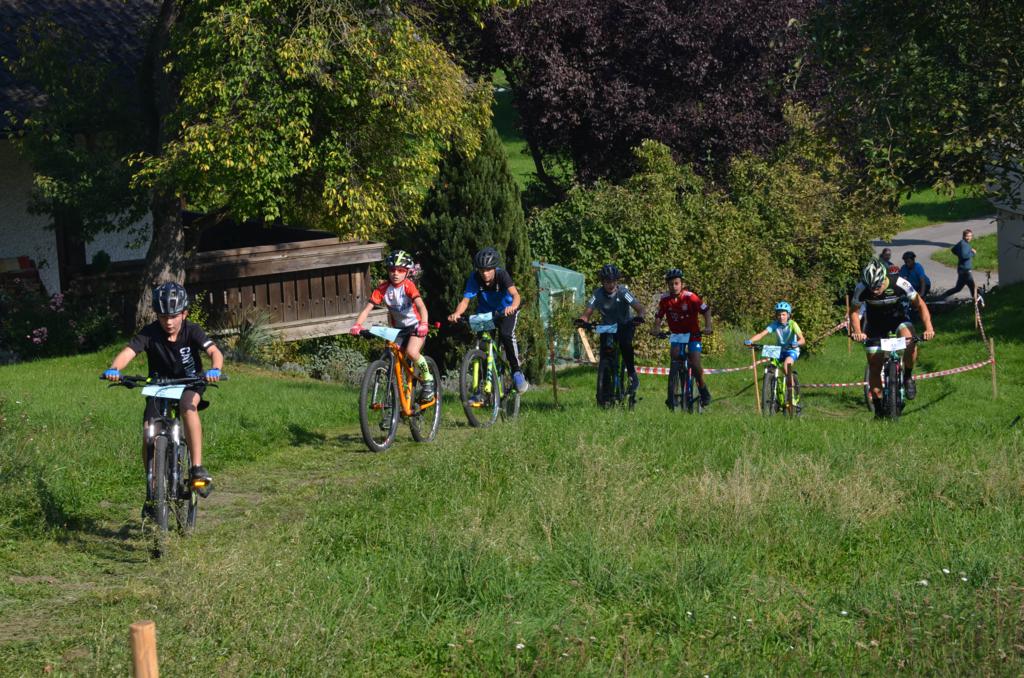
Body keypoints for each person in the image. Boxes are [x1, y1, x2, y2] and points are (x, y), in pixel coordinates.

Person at [103, 282, 224, 513]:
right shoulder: (149, 333)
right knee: (148, 430)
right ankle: (153, 488)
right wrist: (114, 369)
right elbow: (129, 351)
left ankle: (197, 467)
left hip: (190, 382)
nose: (168, 322)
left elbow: (213, 351)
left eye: (173, 316)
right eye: (162, 317)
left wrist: (215, 369)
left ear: (184, 313)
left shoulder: (192, 330)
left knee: (188, 406)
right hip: (159, 385)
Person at [850, 258, 936, 414]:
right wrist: (857, 331)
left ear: (884, 278)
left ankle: (908, 376)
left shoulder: (899, 283)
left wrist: (929, 328)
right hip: (875, 325)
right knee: (874, 366)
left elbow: (920, 304)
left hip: (898, 319)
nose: (874, 291)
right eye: (871, 287)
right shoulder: (861, 288)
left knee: (910, 340)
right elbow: (854, 312)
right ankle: (878, 409)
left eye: (877, 286)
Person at [350, 250, 434, 402]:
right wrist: (357, 325)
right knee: (392, 360)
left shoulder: (408, 286)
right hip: (398, 330)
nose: (395, 273)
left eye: (400, 270)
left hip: (415, 327)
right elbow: (367, 309)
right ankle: (394, 397)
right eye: (392, 270)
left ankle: (428, 379)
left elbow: (421, 307)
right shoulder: (383, 288)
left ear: (407, 272)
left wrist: (424, 324)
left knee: (412, 352)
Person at [448, 246, 528, 393]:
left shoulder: (502, 275)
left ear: (494, 268)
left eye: (488, 270)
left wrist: (513, 306)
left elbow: (516, 295)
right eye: (481, 270)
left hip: (505, 312)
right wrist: (457, 313)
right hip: (486, 314)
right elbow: (465, 301)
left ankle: (516, 372)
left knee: (506, 335)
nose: (485, 273)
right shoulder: (475, 278)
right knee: (481, 345)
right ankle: (481, 387)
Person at [577, 263, 646, 396]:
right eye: (607, 281)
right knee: (605, 354)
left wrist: (639, 317)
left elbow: (640, 309)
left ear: (617, 281)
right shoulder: (597, 294)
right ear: (602, 282)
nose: (611, 284)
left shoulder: (623, 292)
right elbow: (587, 313)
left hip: (625, 325)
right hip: (608, 328)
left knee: (625, 345)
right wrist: (582, 320)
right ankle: (605, 389)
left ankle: (632, 374)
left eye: (613, 281)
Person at [650, 267, 713, 409]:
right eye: (671, 284)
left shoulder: (691, 297)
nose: (674, 287)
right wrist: (656, 329)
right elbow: (659, 316)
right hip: (677, 335)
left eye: (676, 283)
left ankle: (703, 388)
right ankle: (672, 394)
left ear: (682, 284)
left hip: (693, 334)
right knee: (675, 357)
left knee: (695, 363)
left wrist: (708, 326)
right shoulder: (665, 299)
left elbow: (706, 310)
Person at [743, 301, 806, 407]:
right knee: (771, 366)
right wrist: (750, 341)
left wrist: (797, 343)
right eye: (779, 314)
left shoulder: (793, 324)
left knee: (786, 366)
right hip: (779, 350)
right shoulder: (775, 324)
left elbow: (802, 339)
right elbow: (761, 334)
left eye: (783, 314)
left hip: (792, 350)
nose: (781, 317)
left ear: (788, 315)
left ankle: (792, 394)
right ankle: (773, 387)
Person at [940, 229, 977, 300]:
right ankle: (976, 302)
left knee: (958, 288)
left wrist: (959, 254)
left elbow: (953, 250)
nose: (969, 238)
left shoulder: (962, 243)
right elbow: (964, 256)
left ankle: (942, 297)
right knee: (972, 287)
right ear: (963, 236)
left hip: (962, 269)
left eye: (970, 236)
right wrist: (973, 253)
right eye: (967, 236)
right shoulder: (964, 245)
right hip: (965, 271)